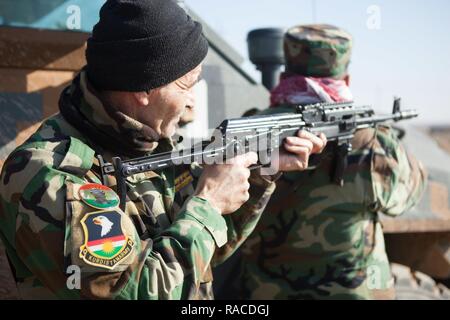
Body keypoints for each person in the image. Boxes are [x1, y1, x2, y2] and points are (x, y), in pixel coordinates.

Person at [0, 1, 326, 299]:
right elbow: (134, 291)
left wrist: (260, 172)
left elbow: (199, 253)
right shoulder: (52, 175)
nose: (191, 102)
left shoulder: (146, 143)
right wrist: (208, 203)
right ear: (144, 88)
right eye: (186, 84)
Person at [241, 24, 426, 300]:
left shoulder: (247, 131)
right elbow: (410, 194)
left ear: (283, 74)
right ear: (346, 81)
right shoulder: (371, 142)